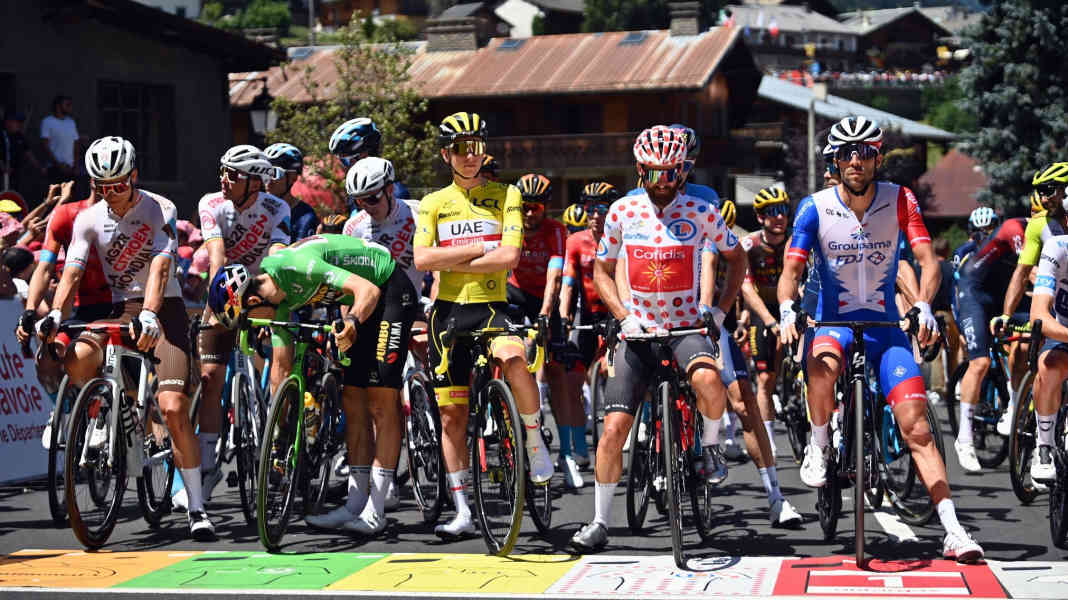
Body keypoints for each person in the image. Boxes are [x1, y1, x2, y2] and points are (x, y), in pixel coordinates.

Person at [778, 116, 983, 562]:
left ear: (876, 158)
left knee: (918, 427)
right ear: (835, 160)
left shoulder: (900, 200)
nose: (855, 160)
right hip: (832, 321)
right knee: (822, 365)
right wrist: (788, 309)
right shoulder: (813, 207)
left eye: (864, 153)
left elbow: (927, 260)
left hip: (885, 329)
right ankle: (818, 440)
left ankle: (953, 530)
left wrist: (924, 304)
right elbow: (790, 273)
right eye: (847, 154)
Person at [570, 125, 745, 552]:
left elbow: (735, 257)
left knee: (709, 382)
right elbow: (601, 271)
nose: (662, 184)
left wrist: (719, 310)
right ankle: (598, 521)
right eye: (652, 174)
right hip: (639, 331)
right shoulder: (622, 213)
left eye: (672, 174)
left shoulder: (701, 211)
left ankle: (708, 448)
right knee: (613, 429)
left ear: (684, 172)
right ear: (639, 171)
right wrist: (622, 315)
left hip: (686, 326)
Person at [36, 136, 208, 539]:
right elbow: (72, 272)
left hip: (163, 307)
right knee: (77, 356)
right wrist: (57, 314)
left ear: (134, 176)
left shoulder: (159, 208)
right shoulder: (88, 219)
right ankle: (103, 412)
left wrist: (150, 314)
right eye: (102, 186)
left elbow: (162, 268)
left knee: (172, 407)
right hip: (119, 308)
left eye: (118, 185)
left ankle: (198, 507)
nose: (111, 194)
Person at [208, 233, 418, 536]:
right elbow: (281, 366)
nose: (253, 328)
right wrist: (280, 427)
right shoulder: (276, 298)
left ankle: (377, 508)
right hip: (362, 303)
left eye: (247, 321)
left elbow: (367, 289)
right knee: (353, 400)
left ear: (253, 301)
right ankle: (355, 503)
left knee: (381, 402)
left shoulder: (298, 267)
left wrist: (353, 323)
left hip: (387, 290)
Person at [413, 111, 553, 539]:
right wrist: (477, 248)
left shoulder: (506, 194)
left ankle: (533, 437)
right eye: (460, 148)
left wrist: (452, 255)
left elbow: (509, 256)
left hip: (492, 305)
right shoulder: (433, 203)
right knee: (452, 418)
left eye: (476, 147)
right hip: (448, 314)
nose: (469, 156)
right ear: (446, 154)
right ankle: (461, 511)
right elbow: (422, 260)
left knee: (514, 356)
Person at [196, 145, 291, 500]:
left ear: (255, 182)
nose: (224, 179)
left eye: (232, 174)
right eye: (222, 170)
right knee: (210, 377)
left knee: (280, 364)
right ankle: (207, 466)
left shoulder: (276, 207)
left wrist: (263, 298)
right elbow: (216, 258)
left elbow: (276, 258)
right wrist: (220, 303)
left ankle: (278, 447)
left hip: (262, 286)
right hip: (225, 286)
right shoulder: (211, 203)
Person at [703, 198, 803, 527]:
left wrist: (721, 315)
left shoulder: (728, 244)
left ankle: (776, 496)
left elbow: (740, 284)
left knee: (745, 399)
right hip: (667, 323)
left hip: (713, 322)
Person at [341, 156, 423, 510]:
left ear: (390, 189)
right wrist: (346, 324)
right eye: (359, 201)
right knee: (361, 399)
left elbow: (436, 263)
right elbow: (348, 285)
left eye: (372, 198)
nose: (366, 207)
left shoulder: (418, 214)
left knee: (384, 397)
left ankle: (379, 498)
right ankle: (360, 495)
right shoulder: (354, 227)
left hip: (416, 303)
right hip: (373, 312)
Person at [509, 173, 579, 487]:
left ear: (546, 207)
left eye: (535, 206)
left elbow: (555, 277)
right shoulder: (509, 226)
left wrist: (545, 315)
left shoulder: (556, 230)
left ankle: (567, 453)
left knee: (556, 372)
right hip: (513, 294)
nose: (529, 212)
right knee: (507, 355)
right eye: (524, 206)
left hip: (542, 298)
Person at [992, 164, 1068, 435]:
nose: (1042, 197)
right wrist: (1006, 314)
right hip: (1052, 306)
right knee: (1030, 354)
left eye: (1047, 190)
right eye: (1038, 191)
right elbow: (1022, 272)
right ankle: (1023, 415)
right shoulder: (1039, 225)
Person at [954, 211, 1028, 472]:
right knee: (981, 362)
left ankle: (1015, 401)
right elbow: (1030, 271)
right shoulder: (1014, 227)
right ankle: (965, 437)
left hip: (1005, 294)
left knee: (1029, 341)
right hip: (974, 293)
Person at [559, 182, 620, 471]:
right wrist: (561, 314)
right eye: (589, 209)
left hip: (616, 312)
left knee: (616, 372)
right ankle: (580, 448)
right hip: (587, 314)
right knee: (572, 381)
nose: (595, 215)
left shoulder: (623, 238)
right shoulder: (576, 242)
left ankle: (636, 426)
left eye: (601, 209)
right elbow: (568, 283)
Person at [739, 186, 790, 457]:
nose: (779, 216)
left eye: (783, 210)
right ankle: (767, 438)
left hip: (791, 306)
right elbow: (746, 288)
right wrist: (770, 321)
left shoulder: (796, 241)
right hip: (763, 310)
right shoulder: (749, 245)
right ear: (760, 218)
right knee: (765, 378)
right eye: (772, 212)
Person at [1027, 232, 1068, 484]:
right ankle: (1044, 447)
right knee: (1049, 366)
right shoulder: (1058, 247)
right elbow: (1039, 314)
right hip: (1062, 330)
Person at [329, 118, 410, 205]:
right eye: (342, 161)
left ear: (366, 154)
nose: (345, 166)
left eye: (347, 160)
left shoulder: (395, 193)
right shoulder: (357, 191)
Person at [264, 142, 319, 243]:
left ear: (292, 177)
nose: (268, 179)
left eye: (274, 173)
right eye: (265, 172)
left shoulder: (305, 216)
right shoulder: (254, 205)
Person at [40, 96, 83, 183]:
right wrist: (58, 164)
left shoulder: (71, 122)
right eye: (67, 105)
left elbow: (76, 143)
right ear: (58, 106)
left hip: (71, 168)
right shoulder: (47, 121)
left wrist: (76, 165)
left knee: (71, 195)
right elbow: (45, 145)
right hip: (55, 168)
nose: (70, 107)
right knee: (56, 195)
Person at [1, 112, 47, 193]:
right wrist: (2, 166)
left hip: (15, 175)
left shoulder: (19, 136)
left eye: (20, 122)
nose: (19, 125)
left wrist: (40, 167)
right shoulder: (2, 135)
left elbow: (28, 153)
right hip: (3, 175)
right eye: (17, 122)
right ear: (8, 122)